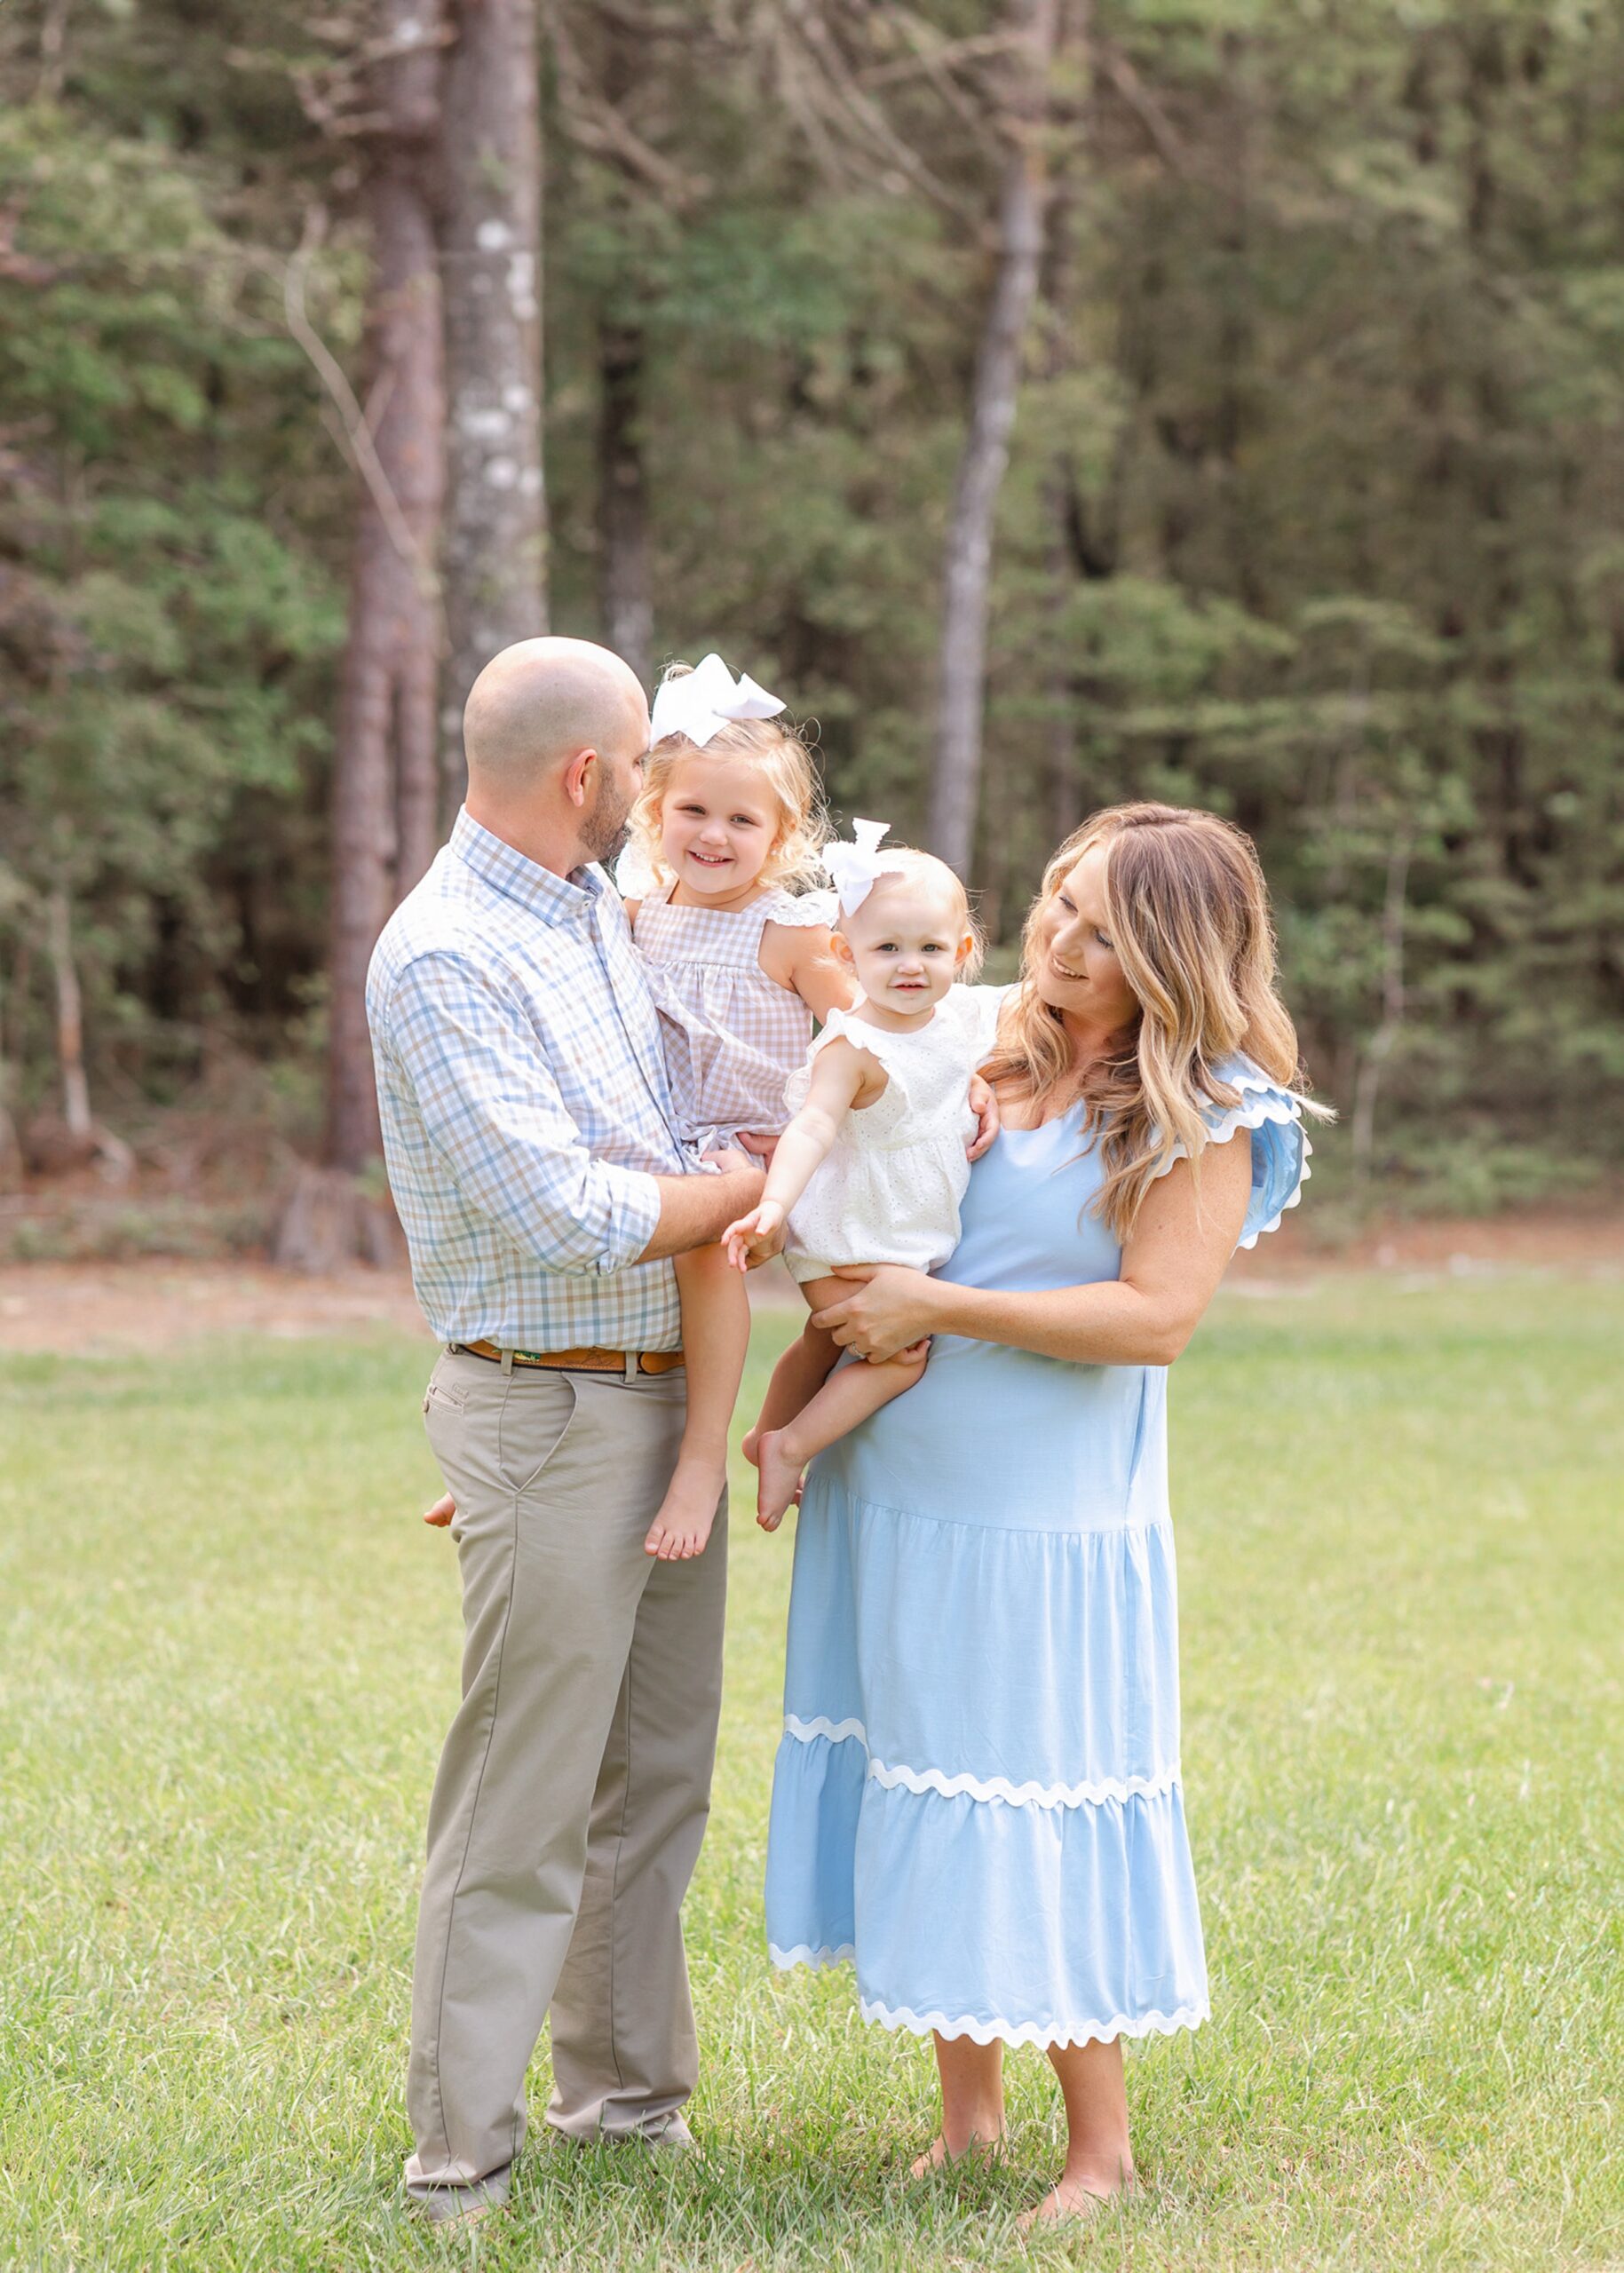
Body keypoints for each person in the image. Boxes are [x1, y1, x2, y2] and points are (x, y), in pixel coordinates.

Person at [763, 802, 1322, 2228]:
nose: (1059, 945)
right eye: (1057, 908)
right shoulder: (976, 1023)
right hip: (900, 1481)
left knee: (1037, 1794)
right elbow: (822, 1001)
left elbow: (1154, 1318)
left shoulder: (1199, 1100)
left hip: (1043, 1518)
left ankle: (1102, 2152)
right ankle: (967, 2121)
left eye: (1100, 933)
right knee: (934, 1776)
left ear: (1172, 956)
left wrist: (935, 1303)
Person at [366, 636, 764, 2227]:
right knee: (519, 1800)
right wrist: (749, 1189)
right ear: (587, 778)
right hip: (550, 1412)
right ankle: (458, 2158)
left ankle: (624, 2106)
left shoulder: (594, 908)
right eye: (639, 774)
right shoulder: (446, 953)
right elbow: (563, 1205)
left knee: (654, 1776)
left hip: (663, 1405)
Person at [723, 823, 1001, 1526]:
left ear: (962, 954)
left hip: (897, 1235)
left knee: (823, 1340)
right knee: (901, 1356)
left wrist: (981, 1084)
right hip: (844, 1236)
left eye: (930, 949)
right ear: (846, 956)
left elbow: (994, 1046)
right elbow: (812, 1127)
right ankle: (791, 1445)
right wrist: (773, 1205)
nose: (910, 966)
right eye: (886, 949)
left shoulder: (956, 1024)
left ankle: (762, 1437)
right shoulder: (852, 1045)